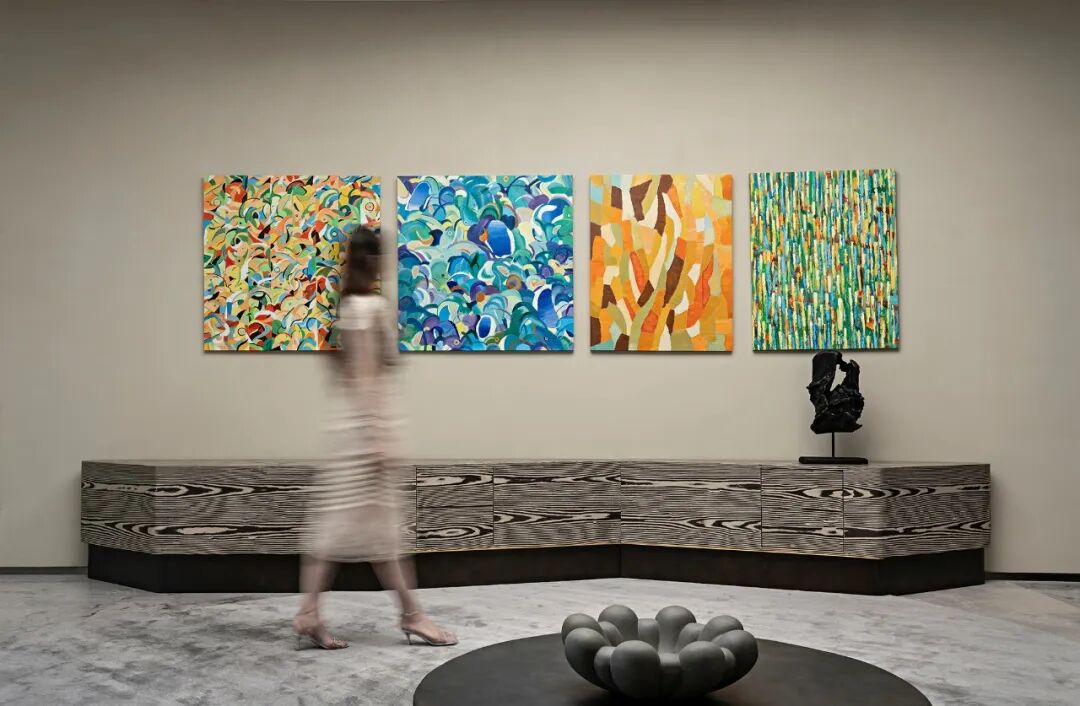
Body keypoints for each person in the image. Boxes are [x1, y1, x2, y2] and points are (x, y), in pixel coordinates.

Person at [293, 224, 456, 650]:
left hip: (349, 429)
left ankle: (311, 612)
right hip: (368, 433)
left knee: (340, 526)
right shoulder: (370, 308)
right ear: (374, 260)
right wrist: (379, 437)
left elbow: (348, 375)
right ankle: (412, 615)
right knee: (380, 533)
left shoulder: (348, 306)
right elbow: (368, 378)